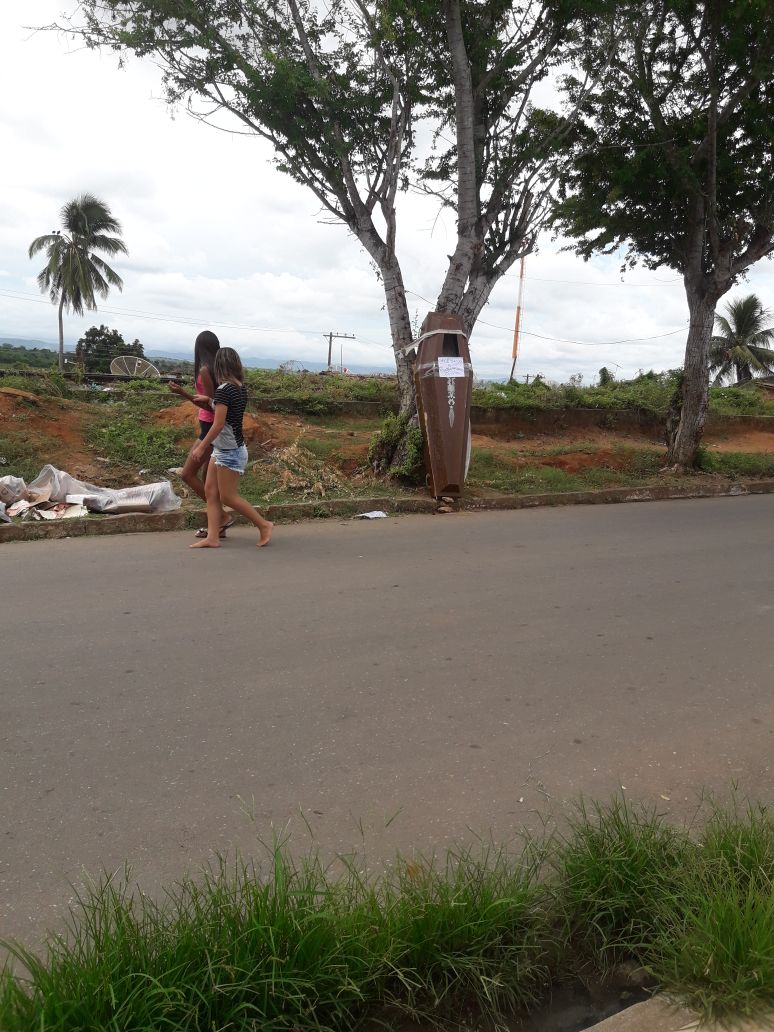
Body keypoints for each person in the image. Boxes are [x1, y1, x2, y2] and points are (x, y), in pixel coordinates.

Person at [190, 347, 273, 549]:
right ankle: (213, 537)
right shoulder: (238, 387)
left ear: (219, 366)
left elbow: (218, 424)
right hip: (225, 449)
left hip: (230, 452)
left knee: (228, 497)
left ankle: (264, 525)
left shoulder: (224, 390)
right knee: (211, 492)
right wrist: (209, 401)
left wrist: (201, 447)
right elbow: (225, 412)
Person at [168, 330, 232, 539]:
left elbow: (214, 405)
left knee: (187, 474)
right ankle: (217, 526)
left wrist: (182, 393)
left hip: (210, 429)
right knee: (208, 483)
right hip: (212, 428)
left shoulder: (205, 370)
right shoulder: (218, 370)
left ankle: (221, 517)